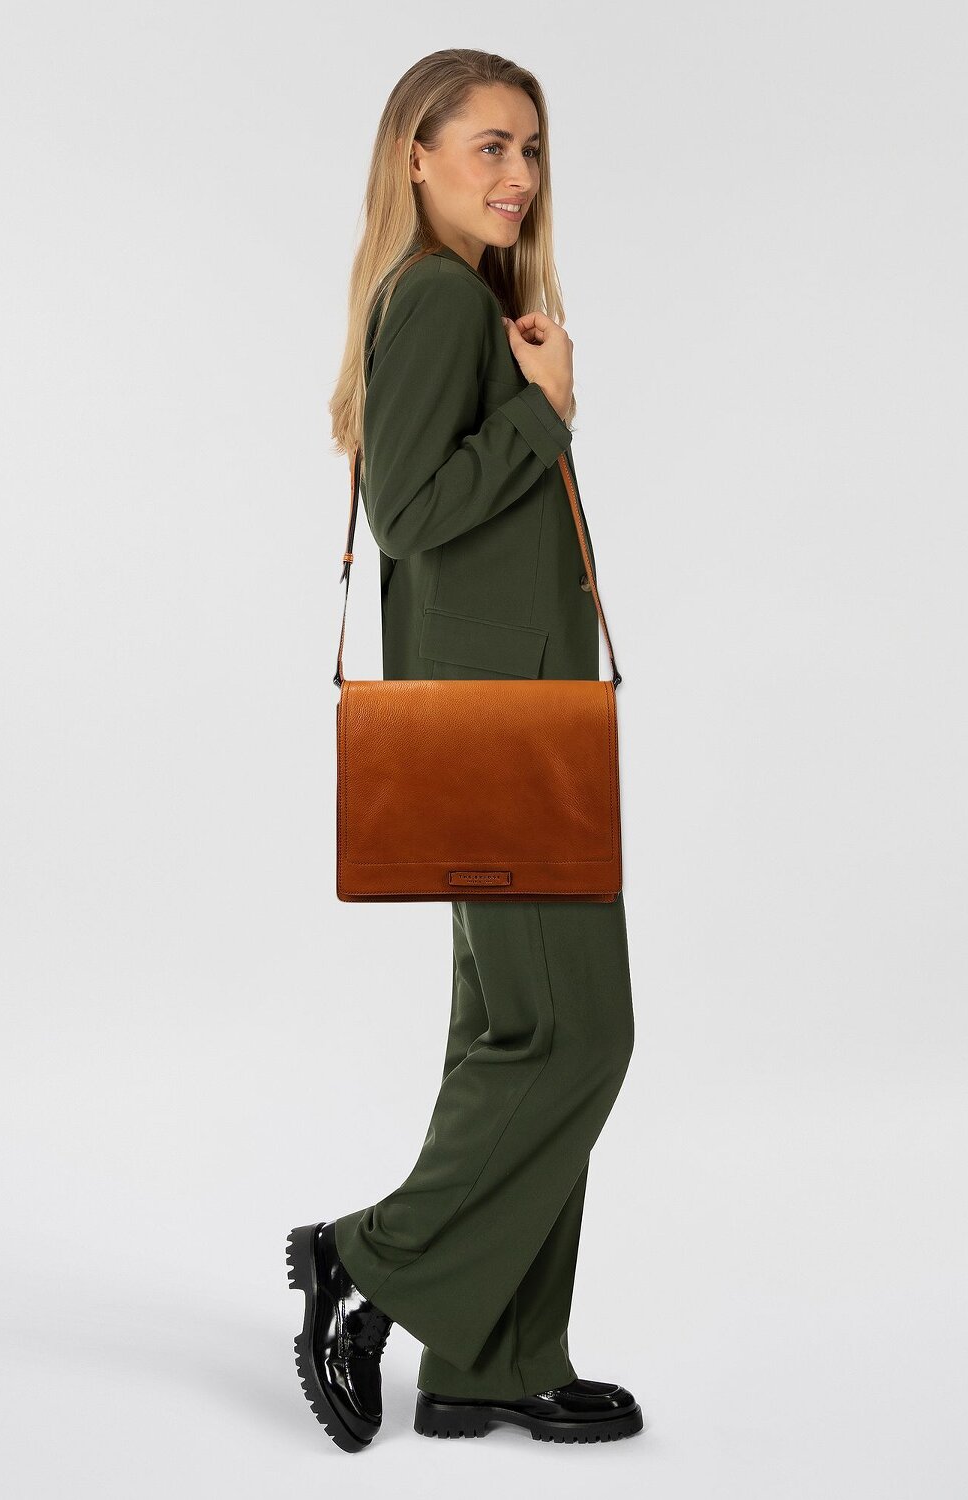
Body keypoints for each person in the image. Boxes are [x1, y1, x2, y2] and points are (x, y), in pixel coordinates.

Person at [287, 47, 641, 1450]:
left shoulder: (467, 299)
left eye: (532, 149)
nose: (519, 175)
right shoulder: (437, 297)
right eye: (490, 145)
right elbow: (410, 511)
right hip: (502, 725)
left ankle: (492, 1362)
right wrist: (545, 416)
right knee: (576, 1035)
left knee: (510, 1036)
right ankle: (368, 1258)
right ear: (416, 156)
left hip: (505, 716)